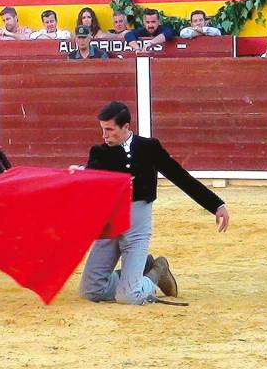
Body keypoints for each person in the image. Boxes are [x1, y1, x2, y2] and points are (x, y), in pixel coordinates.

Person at [78, 101, 230, 305]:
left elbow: (180, 176)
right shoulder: (99, 153)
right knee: (91, 291)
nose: (104, 136)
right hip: (111, 226)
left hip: (136, 228)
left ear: (125, 127)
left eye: (109, 130)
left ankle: (157, 272)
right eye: (102, 130)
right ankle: (141, 270)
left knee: (128, 296)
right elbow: (89, 181)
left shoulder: (149, 148)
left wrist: (216, 204)